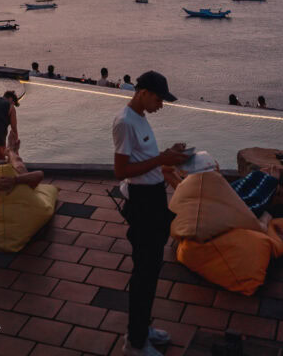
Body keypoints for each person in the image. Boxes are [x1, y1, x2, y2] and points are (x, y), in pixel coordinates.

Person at [113, 71, 187, 356]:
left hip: (154, 199)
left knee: (152, 268)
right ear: (142, 92)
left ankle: (140, 329)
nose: (161, 104)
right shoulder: (124, 122)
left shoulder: (140, 118)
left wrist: (169, 154)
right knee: (144, 271)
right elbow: (121, 172)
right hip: (142, 203)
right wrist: (162, 159)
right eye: (158, 98)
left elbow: (143, 159)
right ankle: (134, 344)